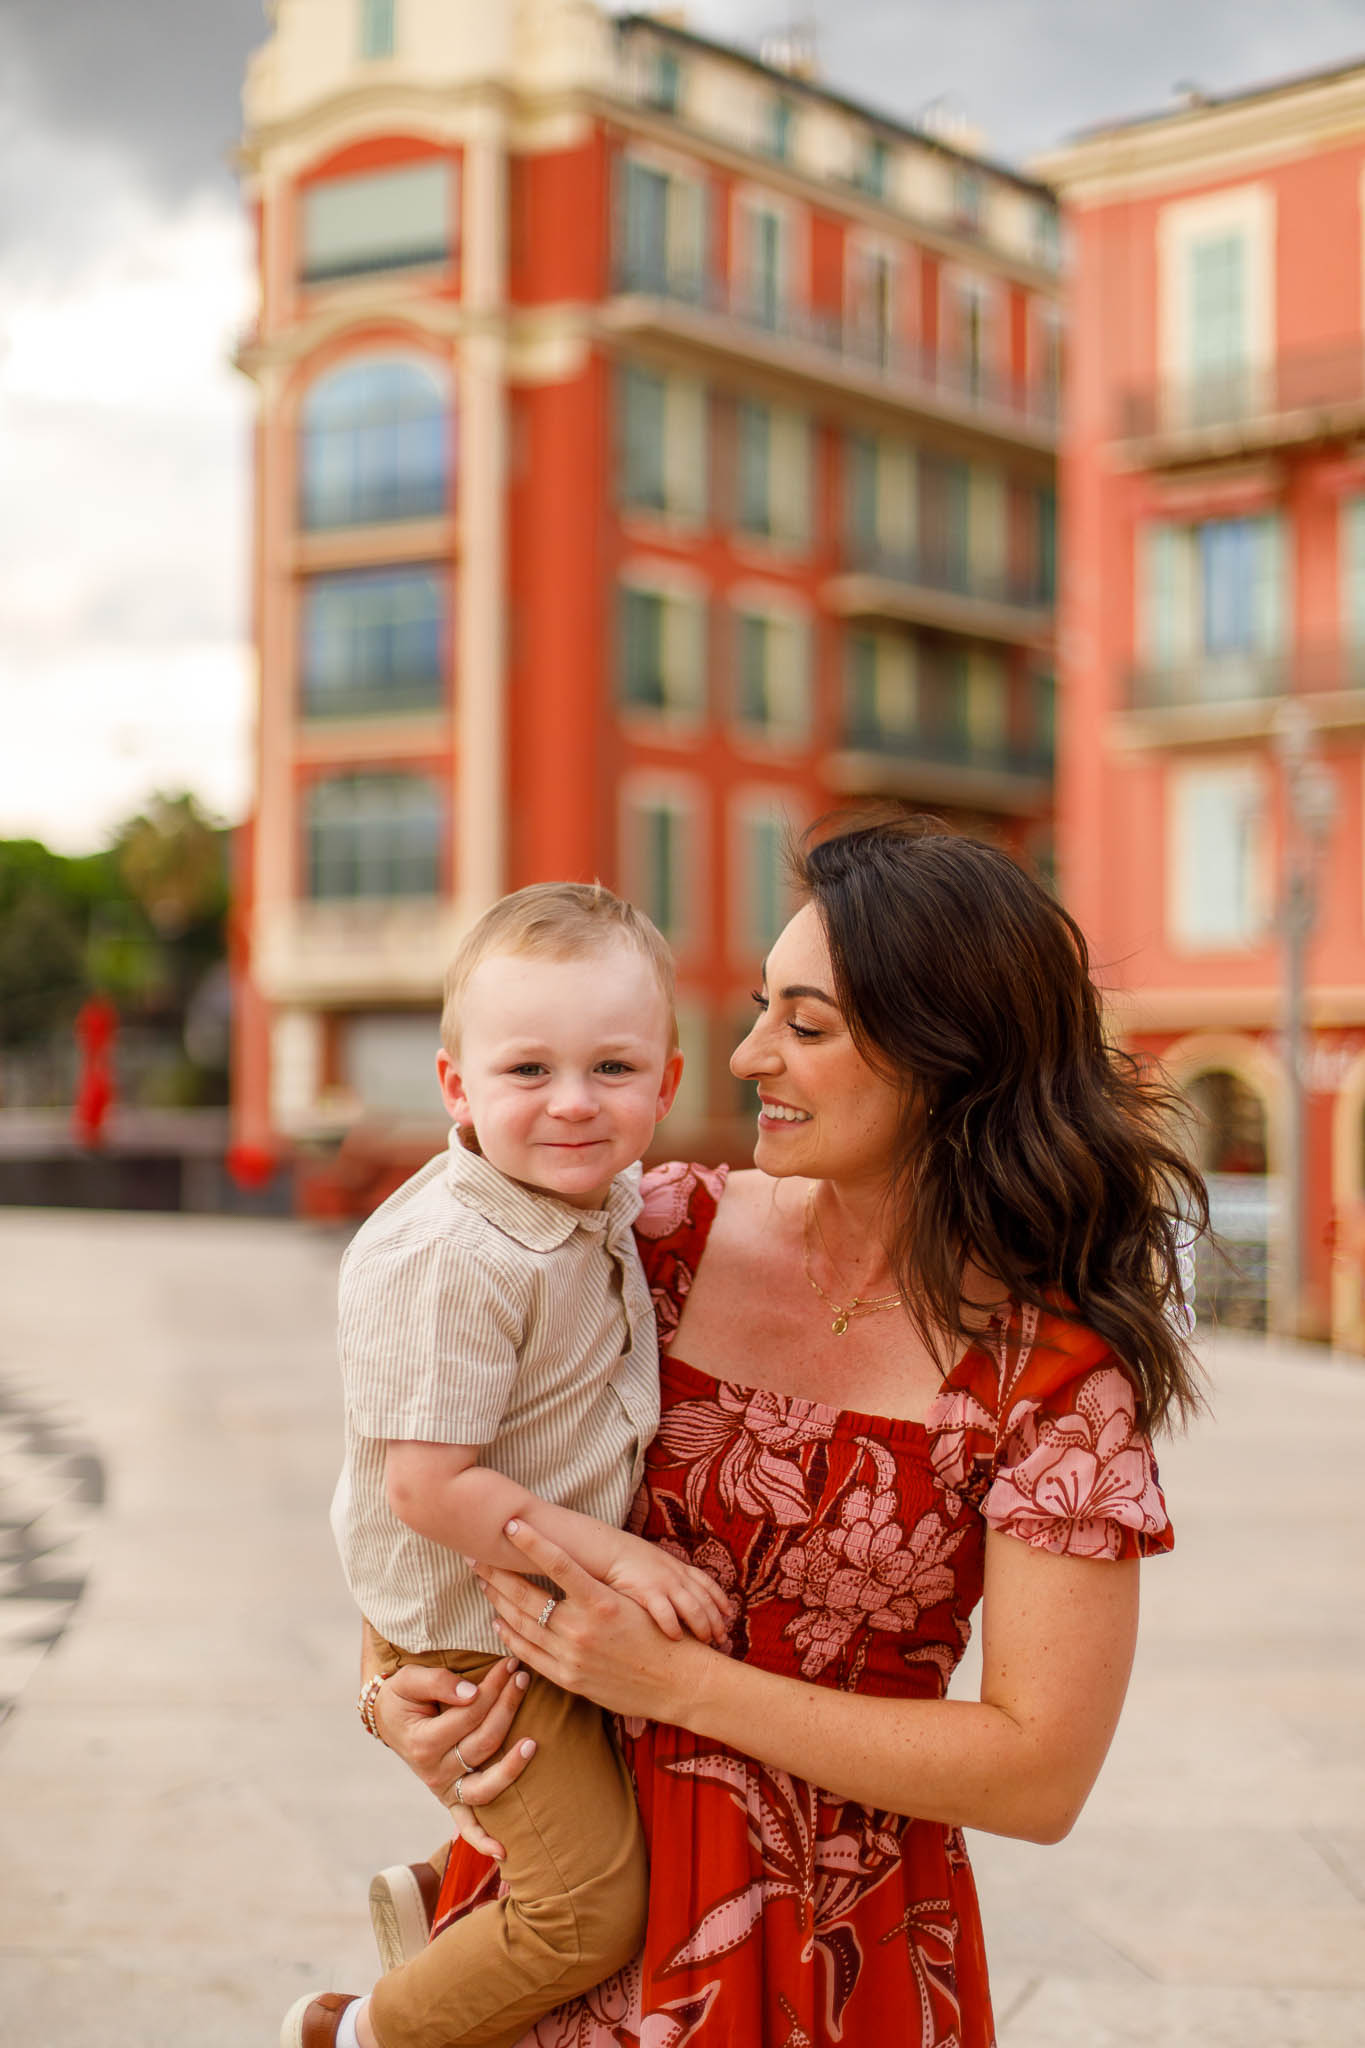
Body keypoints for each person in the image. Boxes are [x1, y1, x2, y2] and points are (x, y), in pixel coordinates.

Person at [369, 817, 1206, 2048]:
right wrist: (390, 1690)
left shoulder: (1056, 1383)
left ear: (947, 1057)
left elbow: (1039, 1772)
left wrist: (680, 1682)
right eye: (766, 1006)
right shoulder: (640, 1235)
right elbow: (419, 1454)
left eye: (806, 1027)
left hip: (835, 1956)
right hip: (559, 1925)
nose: (748, 1052)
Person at [283, 883, 730, 2048]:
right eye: (529, 1069)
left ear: (669, 1083)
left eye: (614, 1067)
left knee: (628, 1817)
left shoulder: (598, 1195)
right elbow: (425, 1488)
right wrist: (623, 1558)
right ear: (457, 1086)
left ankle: (448, 1889)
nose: (574, 1100)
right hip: (476, 1629)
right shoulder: (454, 1254)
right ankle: (352, 2031)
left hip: (523, 1596)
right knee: (589, 1911)